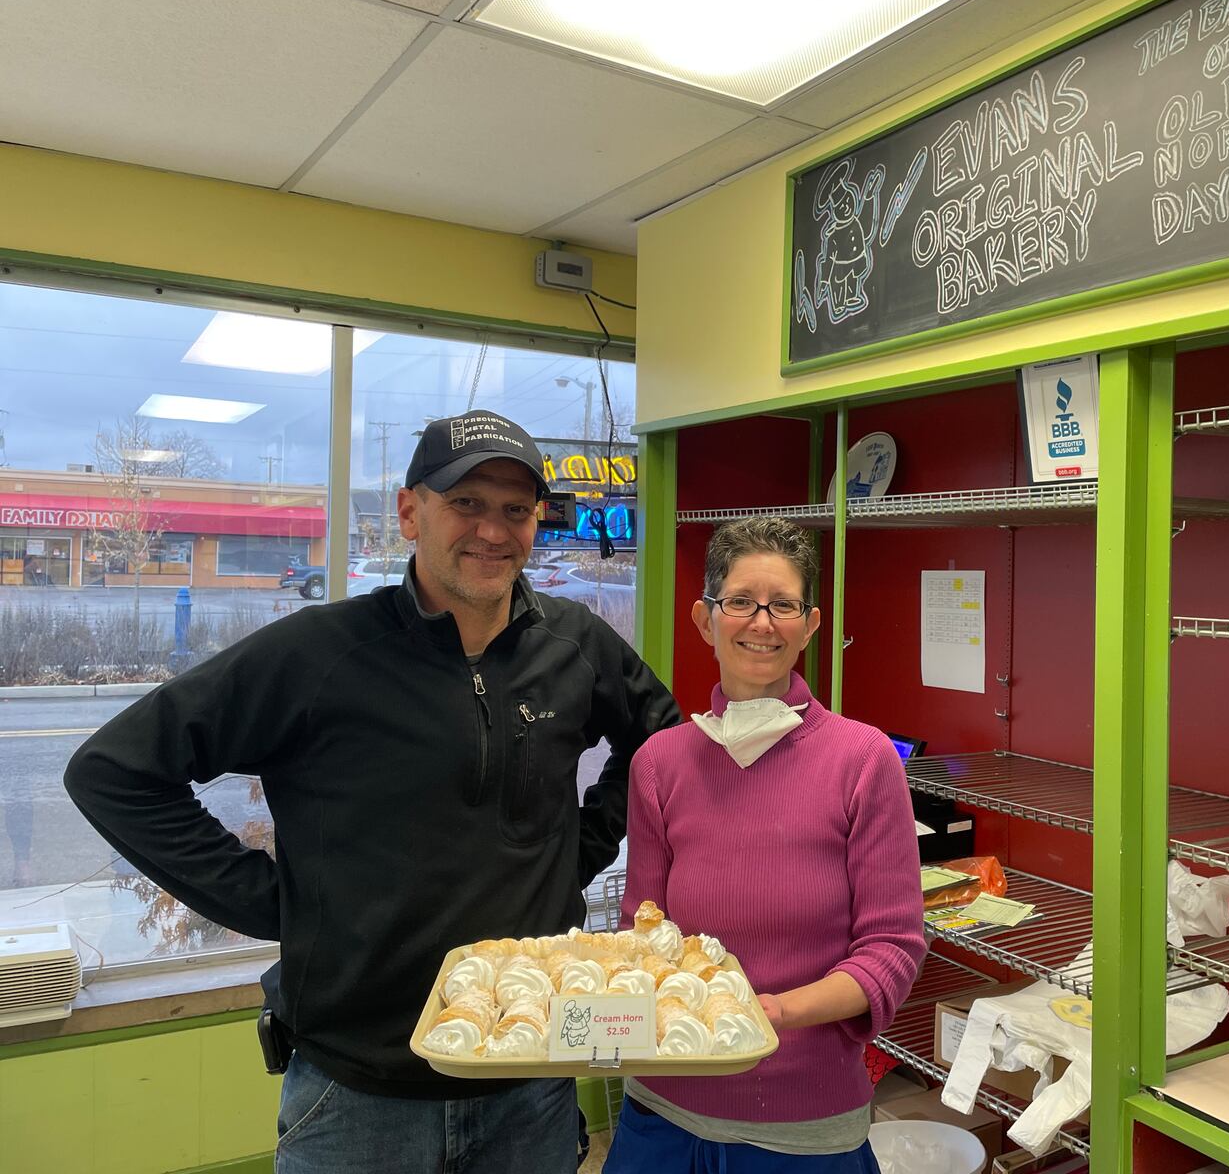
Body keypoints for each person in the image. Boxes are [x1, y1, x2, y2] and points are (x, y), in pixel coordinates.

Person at [64, 410, 680, 1174]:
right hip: (357, 1098)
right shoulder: (318, 654)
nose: (493, 531)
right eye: (468, 503)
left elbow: (662, 739)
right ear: (409, 511)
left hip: (529, 1079)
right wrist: (265, 900)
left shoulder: (575, 643)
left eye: (515, 511)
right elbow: (115, 771)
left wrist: (579, 852)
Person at [606, 516, 927, 1173]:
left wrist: (774, 1011)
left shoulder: (862, 761)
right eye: (741, 602)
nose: (761, 623)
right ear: (705, 619)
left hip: (802, 1122)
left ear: (810, 624)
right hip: (662, 1109)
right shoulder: (661, 763)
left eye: (783, 605)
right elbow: (640, 929)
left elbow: (891, 949)